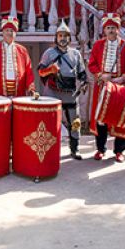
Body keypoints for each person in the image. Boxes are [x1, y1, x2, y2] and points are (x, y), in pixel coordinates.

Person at [87, 13, 125, 162]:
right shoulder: (98, 45)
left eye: (113, 28)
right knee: (101, 118)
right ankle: (100, 149)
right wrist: (100, 75)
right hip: (103, 86)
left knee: (120, 117)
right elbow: (92, 64)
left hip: (120, 86)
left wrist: (123, 78)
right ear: (104, 30)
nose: (111, 30)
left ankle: (119, 151)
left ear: (118, 29)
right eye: (108, 28)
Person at [38, 20, 88, 159]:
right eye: (60, 36)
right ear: (56, 38)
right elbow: (41, 72)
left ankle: (75, 148)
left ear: (69, 38)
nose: (63, 38)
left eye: (65, 36)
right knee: (50, 123)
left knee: (75, 122)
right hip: (52, 93)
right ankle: (48, 149)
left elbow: (82, 73)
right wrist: (50, 69)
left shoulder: (76, 54)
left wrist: (84, 83)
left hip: (70, 93)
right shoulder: (49, 53)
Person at [0, 16, 35, 97]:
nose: (9, 33)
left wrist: (31, 89)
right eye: (7, 30)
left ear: (16, 33)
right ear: (2, 32)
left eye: (12, 31)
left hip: (19, 93)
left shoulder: (22, 50)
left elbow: (29, 72)